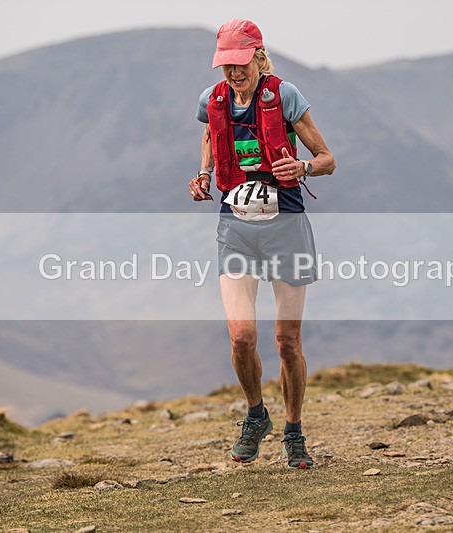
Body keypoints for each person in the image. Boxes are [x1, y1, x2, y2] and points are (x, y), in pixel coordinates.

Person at [188, 19, 335, 469]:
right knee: (241, 336)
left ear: (257, 54)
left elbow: (328, 159)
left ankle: (294, 431)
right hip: (236, 227)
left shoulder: (285, 95)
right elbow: (211, 136)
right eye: (226, 65)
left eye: (240, 62)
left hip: (286, 224)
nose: (233, 73)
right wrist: (205, 175)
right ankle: (256, 416)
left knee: (287, 341)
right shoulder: (211, 101)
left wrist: (304, 169)